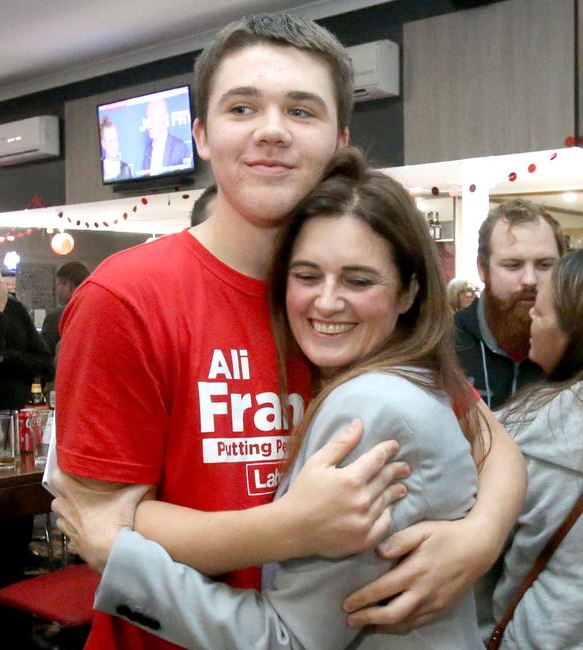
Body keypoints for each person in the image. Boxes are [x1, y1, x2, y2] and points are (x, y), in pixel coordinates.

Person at [53, 14, 525, 649]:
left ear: (339, 142)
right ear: (201, 135)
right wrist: (292, 527)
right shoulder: (127, 297)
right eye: (242, 107)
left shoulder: (347, 308)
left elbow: (492, 441)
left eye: (301, 111)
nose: (271, 131)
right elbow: (105, 529)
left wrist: (479, 539)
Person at [479, 249, 583, 649]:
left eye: (541, 313)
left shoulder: (523, 433)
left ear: (576, 331)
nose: (530, 318)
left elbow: (480, 562)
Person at [0, 233, 55, 645]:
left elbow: (44, 362)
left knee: (12, 562)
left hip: (13, 454)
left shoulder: (14, 309)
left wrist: (8, 357)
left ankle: (17, 639)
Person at [454, 199, 565, 409]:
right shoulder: (443, 347)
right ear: (482, 269)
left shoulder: (580, 350)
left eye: (545, 265)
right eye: (513, 265)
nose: (530, 280)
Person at [41, 260, 90, 357]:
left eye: (59, 284)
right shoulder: (98, 312)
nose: (58, 289)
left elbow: (44, 355)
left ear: (68, 284)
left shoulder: (57, 316)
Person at [142, 99, 192, 174]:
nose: (148, 122)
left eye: (152, 117)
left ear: (163, 118)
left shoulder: (180, 147)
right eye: (147, 117)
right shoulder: (147, 151)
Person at [100, 117, 132, 181]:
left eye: (116, 139)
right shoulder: (98, 169)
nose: (115, 144)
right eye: (110, 140)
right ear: (103, 144)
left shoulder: (125, 168)